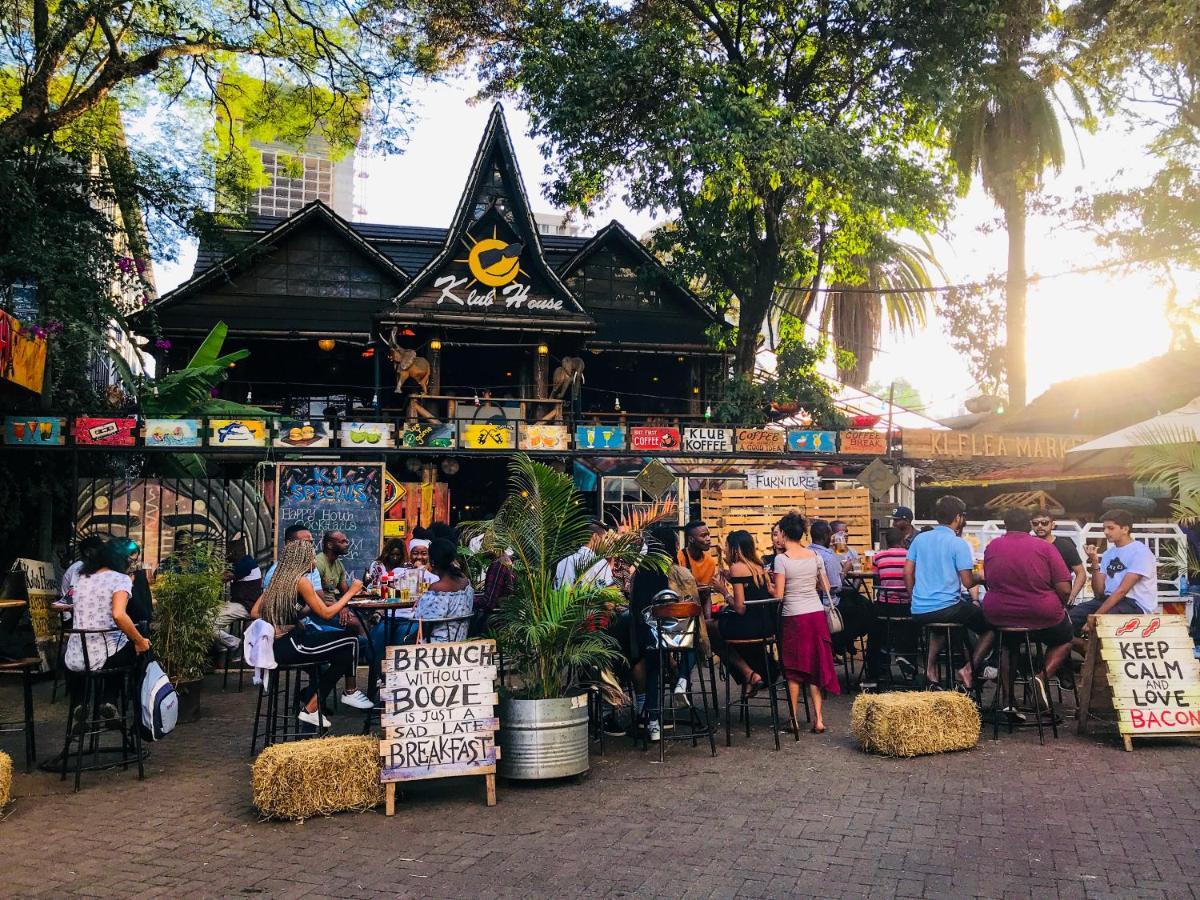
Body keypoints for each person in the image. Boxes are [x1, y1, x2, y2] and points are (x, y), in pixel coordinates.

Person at [250, 539, 373, 727]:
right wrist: (351, 592)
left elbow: (255, 612)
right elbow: (325, 613)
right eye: (312, 558)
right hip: (291, 645)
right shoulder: (302, 582)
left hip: (282, 644)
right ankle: (340, 695)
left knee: (348, 646)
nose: (315, 562)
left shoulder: (279, 579)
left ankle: (319, 702)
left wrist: (283, 618)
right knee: (351, 642)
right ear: (303, 559)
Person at [982, 508, 1074, 711]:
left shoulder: (992, 547)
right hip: (1041, 613)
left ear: (1005, 525)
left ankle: (1007, 700)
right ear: (1028, 526)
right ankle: (1041, 677)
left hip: (1000, 615)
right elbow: (1065, 589)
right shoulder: (1044, 547)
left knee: (1008, 645)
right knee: (1065, 639)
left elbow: (988, 579)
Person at [903, 495, 994, 690]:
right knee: (991, 626)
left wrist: (913, 598)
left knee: (940, 627)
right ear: (959, 518)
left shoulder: (920, 539)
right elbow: (968, 581)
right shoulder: (958, 543)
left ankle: (929, 670)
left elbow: (908, 572)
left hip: (919, 610)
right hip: (947, 608)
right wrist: (983, 577)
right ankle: (970, 668)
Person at [63, 538, 152, 718]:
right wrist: (140, 641)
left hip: (75, 655)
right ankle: (110, 700)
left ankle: (80, 703)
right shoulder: (120, 579)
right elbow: (119, 615)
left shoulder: (81, 577)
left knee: (112, 646)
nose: (132, 565)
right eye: (131, 561)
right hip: (106, 655)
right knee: (128, 648)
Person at [770, 512, 839, 733]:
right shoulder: (815, 557)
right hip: (816, 615)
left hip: (793, 617)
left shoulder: (781, 560)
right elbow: (825, 587)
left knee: (794, 669)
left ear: (784, 533)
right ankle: (819, 719)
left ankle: (794, 719)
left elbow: (779, 595)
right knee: (815, 666)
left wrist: (767, 584)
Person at [1069, 508, 1159, 646]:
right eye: (1104, 528)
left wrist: (1095, 617)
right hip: (1109, 599)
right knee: (1068, 620)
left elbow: (1122, 591)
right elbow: (1099, 592)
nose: (1106, 532)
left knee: (1103, 621)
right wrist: (1094, 561)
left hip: (1134, 604)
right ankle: (1084, 649)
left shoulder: (1140, 552)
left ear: (1125, 529)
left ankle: (1092, 651)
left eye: (1111, 528)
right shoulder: (1108, 554)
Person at [707, 530, 775, 694]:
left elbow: (740, 608)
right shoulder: (759, 566)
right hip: (766, 626)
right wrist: (732, 581)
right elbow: (751, 592)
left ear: (735, 549)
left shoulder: (737, 567)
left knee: (710, 629)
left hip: (749, 627)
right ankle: (752, 675)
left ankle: (748, 673)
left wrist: (723, 591)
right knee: (720, 628)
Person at [864, 527, 916, 685]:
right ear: (903, 541)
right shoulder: (911, 556)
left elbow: (876, 577)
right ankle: (908, 661)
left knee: (875, 634)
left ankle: (876, 670)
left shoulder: (878, 557)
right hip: (907, 606)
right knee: (912, 630)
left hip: (885, 607)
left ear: (887, 542)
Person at [413, 538, 474, 642]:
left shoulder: (437, 589)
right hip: (460, 639)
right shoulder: (466, 583)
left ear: (432, 562)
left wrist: (420, 602)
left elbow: (420, 617)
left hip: (437, 644)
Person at [1031, 510, 1087, 605]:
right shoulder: (1029, 545)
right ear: (1031, 525)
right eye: (1035, 523)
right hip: (1033, 595)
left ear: (1052, 525)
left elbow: (1081, 573)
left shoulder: (1065, 546)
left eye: (1044, 523)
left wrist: (1072, 596)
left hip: (1059, 597)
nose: (1039, 526)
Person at [678, 520, 730, 615]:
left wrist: (708, 620)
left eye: (708, 535)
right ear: (691, 539)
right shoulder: (679, 558)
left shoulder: (710, 562)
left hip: (701, 609)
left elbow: (706, 596)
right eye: (703, 535)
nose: (709, 539)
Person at [262, 523, 322, 593]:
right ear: (289, 544)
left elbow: (320, 598)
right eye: (305, 542)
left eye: (311, 542)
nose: (310, 546)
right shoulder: (275, 574)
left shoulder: (312, 569)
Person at [554, 520, 614, 589]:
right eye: (605, 537)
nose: (607, 542)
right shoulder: (600, 563)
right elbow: (608, 593)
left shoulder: (562, 563)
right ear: (595, 537)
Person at [60, 535, 105, 603]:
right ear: (87, 552)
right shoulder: (78, 568)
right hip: (71, 612)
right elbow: (74, 596)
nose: (102, 553)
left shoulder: (91, 569)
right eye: (99, 550)